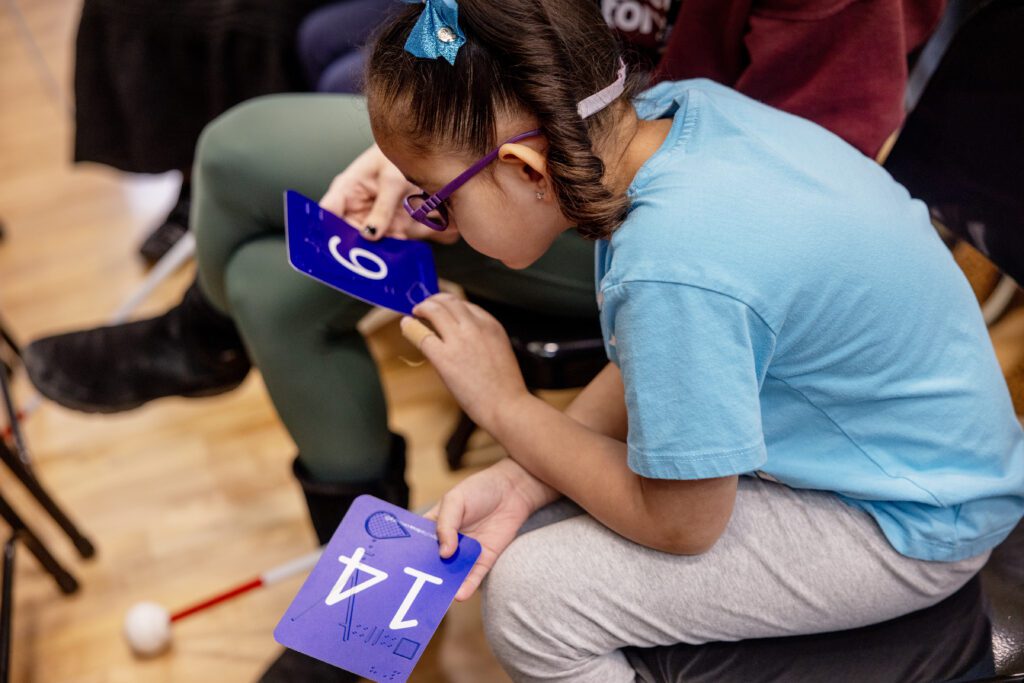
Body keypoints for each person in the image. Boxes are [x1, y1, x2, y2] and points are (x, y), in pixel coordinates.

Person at [359, 0, 1023, 680]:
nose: (436, 220)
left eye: (436, 198)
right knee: (519, 527)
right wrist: (522, 477)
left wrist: (506, 408)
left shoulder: (673, 260)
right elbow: (659, 359)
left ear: (528, 170)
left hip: (916, 525)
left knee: (533, 601)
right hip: (919, 460)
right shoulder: (685, 113)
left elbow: (682, 523)